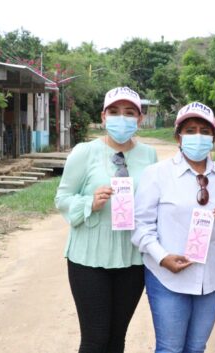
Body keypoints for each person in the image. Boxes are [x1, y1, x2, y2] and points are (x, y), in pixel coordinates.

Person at [132, 102, 215, 353]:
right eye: (190, 130)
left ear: (213, 138)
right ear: (178, 136)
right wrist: (162, 257)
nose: (198, 136)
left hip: (211, 278)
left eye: (205, 131)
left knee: (197, 347)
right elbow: (141, 227)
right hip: (168, 278)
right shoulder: (157, 174)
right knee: (170, 348)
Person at [55, 86, 157, 353]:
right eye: (114, 112)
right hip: (89, 258)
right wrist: (90, 202)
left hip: (132, 258)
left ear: (140, 119)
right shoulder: (84, 152)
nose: (121, 118)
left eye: (129, 112)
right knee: (95, 339)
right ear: (103, 117)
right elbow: (62, 198)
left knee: (116, 339)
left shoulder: (149, 156)